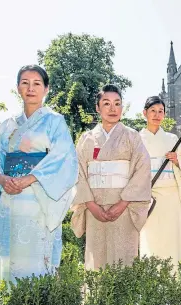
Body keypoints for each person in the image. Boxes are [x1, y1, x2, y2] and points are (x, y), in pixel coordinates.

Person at [0, 64, 78, 287]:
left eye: (37, 83)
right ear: (18, 88)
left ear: (46, 89)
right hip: (10, 198)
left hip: (38, 199)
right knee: (10, 260)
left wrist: (30, 178)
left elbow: (63, 159)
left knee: (36, 263)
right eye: (25, 83)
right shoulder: (6, 126)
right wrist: (1, 178)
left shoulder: (55, 122)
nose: (31, 88)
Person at [70, 84, 151, 270]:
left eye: (117, 103)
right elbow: (78, 173)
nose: (113, 108)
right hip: (94, 207)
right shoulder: (86, 139)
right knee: (96, 259)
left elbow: (142, 170)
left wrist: (122, 204)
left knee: (124, 259)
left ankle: (124, 300)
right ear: (98, 108)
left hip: (124, 206)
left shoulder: (132, 137)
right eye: (106, 103)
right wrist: (91, 205)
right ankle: (96, 299)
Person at [139, 96, 181, 273]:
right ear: (144, 113)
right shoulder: (136, 139)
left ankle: (173, 280)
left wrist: (176, 161)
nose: (157, 115)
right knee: (149, 238)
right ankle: (151, 283)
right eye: (153, 111)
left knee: (170, 238)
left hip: (170, 196)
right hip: (148, 197)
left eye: (161, 111)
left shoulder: (172, 138)